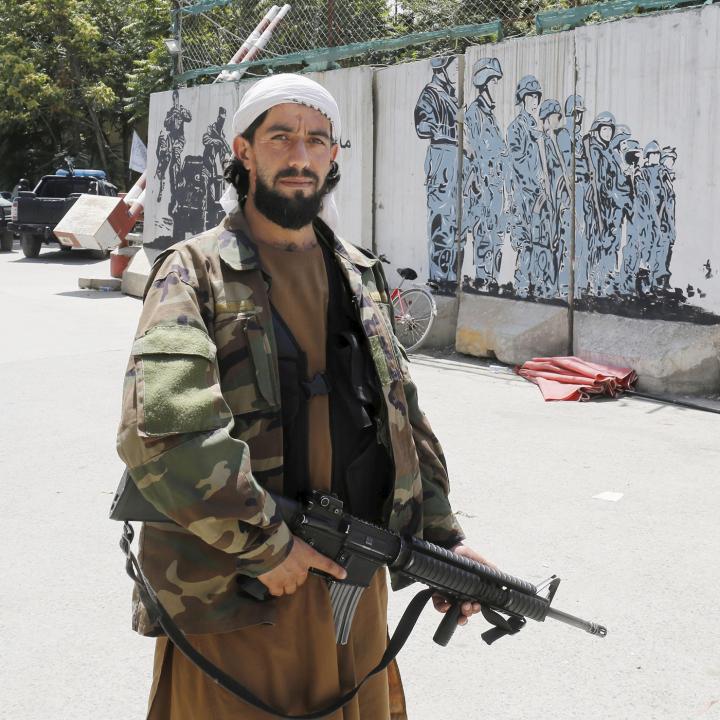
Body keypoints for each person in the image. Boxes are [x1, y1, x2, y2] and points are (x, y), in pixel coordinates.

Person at [117, 73, 489, 720]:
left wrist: (442, 537)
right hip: (240, 589)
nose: (299, 155)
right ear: (244, 150)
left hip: (354, 582)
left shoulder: (358, 273)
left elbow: (400, 416)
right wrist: (268, 544)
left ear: (333, 157)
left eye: (317, 140)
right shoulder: (193, 271)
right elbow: (165, 434)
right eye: (281, 136)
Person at [414, 57, 461, 290]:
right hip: (441, 157)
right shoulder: (431, 94)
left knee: (454, 221)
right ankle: (440, 277)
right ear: (441, 68)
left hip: (453, 158)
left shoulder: (451, 94)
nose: (457, 71)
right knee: (441, 219)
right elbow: (422, 127)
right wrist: (451, 129)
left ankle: (450, 275)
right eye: (453, 66)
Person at [463, 57, 507, 291]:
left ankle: (492, 283)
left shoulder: (490, 115)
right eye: (495, 81)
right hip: (482, 189)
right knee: (484, 239)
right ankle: (483, 283)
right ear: (485, 82)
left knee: (496, 240)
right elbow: (476, 151)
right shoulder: (475, 113)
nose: (497, 85)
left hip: (495, 188)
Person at [506, 75, 543, 298]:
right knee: (525, 241)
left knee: (538, 238)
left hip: (537, 194)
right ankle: (522, 284)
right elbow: (518, 162)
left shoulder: (536, 128)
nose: (534, 100)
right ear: (522, 98)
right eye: (530, 96)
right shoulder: (516, 128)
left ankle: (534, 282)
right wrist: (534, 185)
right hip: (523, 193)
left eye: (536, 96)